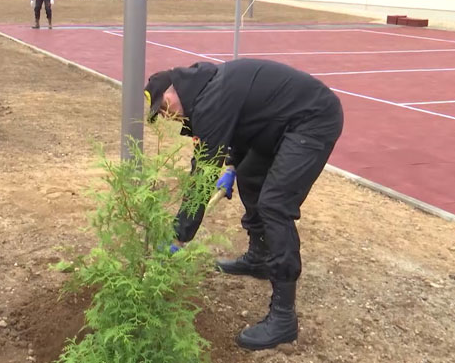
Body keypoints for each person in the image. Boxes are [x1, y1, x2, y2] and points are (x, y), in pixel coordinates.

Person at [144, 58, 343, 351]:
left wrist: (179, 234)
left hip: (312, 120)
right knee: (250, 174)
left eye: (163, 108)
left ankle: (284, 318)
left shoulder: (211, 99)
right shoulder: (207, 89)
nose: (167, 117)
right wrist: (234, 166)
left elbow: (203, 173)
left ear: (173, 91)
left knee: (275, 204)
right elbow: (243, 124)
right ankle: (259, 258)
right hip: (280, 125)